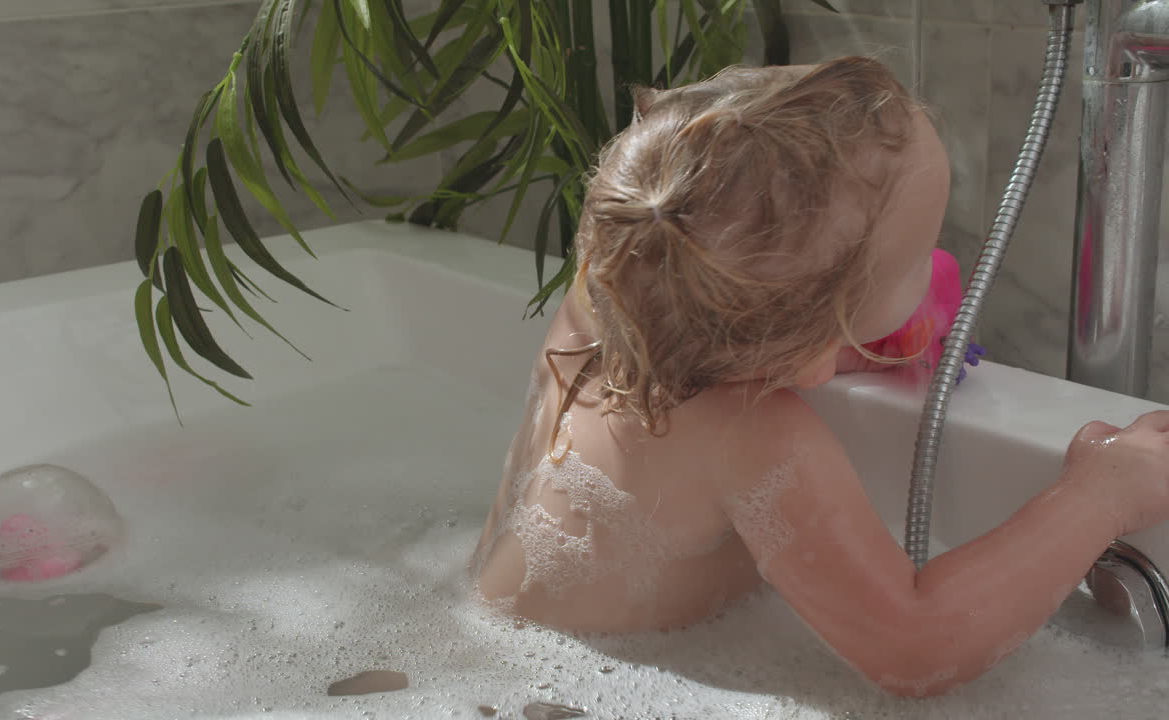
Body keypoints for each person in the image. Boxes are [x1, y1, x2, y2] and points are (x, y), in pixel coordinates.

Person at [472, 57, 1169, 697]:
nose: (941, 259)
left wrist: (832, 340)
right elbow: (916, 647)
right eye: (922, 252)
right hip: (568, 695)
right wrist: (1101, 494)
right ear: (804, 351)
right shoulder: (754, 440)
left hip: (488, 656)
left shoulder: (605, 290)